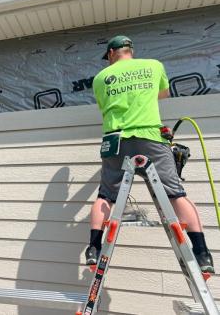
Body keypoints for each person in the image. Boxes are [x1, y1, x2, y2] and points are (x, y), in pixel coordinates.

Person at [85, 35, 214, 273]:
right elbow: (162, 94)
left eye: (108, 58)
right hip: (149, 137)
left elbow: (105, 108)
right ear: (129, 50)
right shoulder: (154, 66)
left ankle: (93, 248)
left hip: (115, 141)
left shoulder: (101, 78)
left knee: (105, 196)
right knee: (176, 194)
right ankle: (203, 253)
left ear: (112, 53)